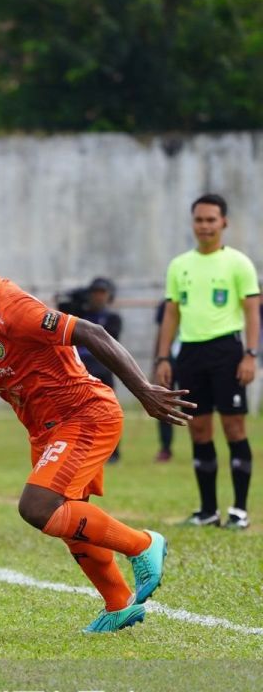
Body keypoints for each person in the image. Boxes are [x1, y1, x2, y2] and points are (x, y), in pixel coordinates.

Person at [0, 233, 192, 633]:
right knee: (71, 522)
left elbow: (93, 334)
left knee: (38, 508)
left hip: (84, 415)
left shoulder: (13, 307)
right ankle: (117, 604)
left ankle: (144, 544)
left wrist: (144, 392)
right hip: (46, 429)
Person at [155, 194, 259, 529]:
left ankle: (239, 511)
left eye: (211, 220)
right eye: (199, 220)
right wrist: (163, 356)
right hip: (190, 354)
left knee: (233, 428)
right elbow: (171, 314)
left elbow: (252, 312)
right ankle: (208, 510)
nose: (205, 226)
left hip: (227, 352)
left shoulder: (239, 263)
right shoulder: (179, 265)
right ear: (193, 223)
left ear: (224, 222)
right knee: (198, 429)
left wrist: (250, 353)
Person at [75, 278, 123, 463]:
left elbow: (109, 340)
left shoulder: (112, 318)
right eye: (95, 292)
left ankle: (113, 452)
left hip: (102, 368)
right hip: (80, 369)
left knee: (108, 412)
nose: (98, 297)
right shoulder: (79, 315)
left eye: (102, 293)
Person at [153, 299, 177, 463]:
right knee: (165, 402)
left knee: (199, 404)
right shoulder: (166, 304)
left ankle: (201, 446)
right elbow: (161, 332)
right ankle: (165, 447)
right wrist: (159, 360)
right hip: (170, 359)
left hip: (195, 355)